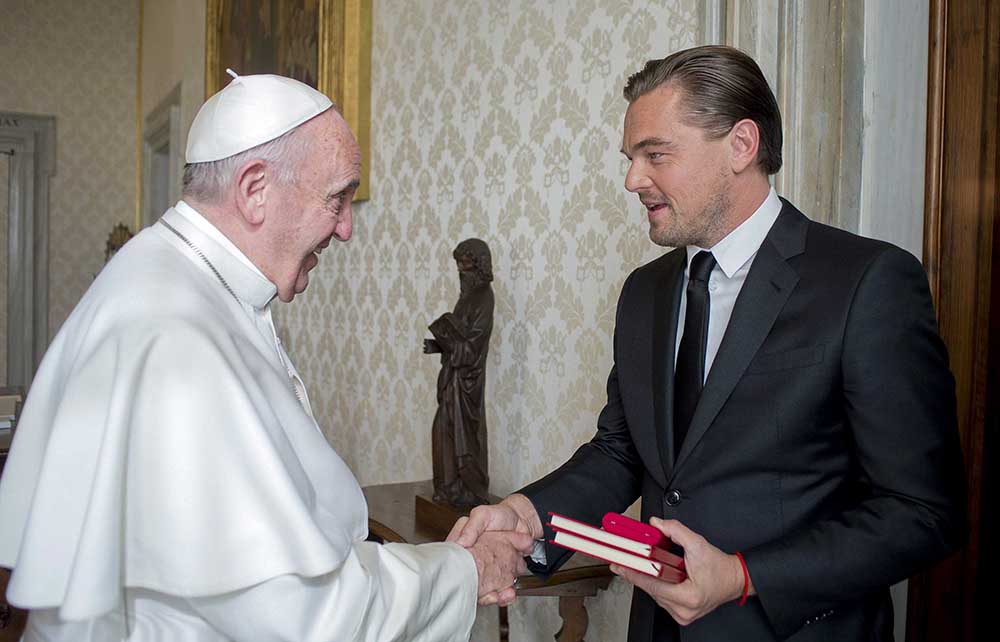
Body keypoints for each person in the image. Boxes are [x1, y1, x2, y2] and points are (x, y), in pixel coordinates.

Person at [452, 45, 966, 640]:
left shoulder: (867, 282)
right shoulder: (644, 291)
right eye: (630, 157)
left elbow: (924, 513)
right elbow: (623, 452)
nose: (632, 179)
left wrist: (742, 576)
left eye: (656, 155)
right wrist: (526, 514)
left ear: (741, 146)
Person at [0, 72, 531, 641]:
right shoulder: (175, 338)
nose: (347, 229)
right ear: (255, 190)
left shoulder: (169, 279)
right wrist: (464, 570)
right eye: (338, 198)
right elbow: (307, 616)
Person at [424, 239, 495, 507]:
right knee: (443, 431)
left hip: (468, 383)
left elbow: (472, 346)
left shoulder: (484, 298)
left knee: (467, 437)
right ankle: (448, 488)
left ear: (479, 266)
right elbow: (458, 339)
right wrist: (437, 344)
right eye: (458, 266)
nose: (460, 273)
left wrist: (450, 340)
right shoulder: (465, 298)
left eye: (465, 266)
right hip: (452, 379)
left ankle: (472, 491)